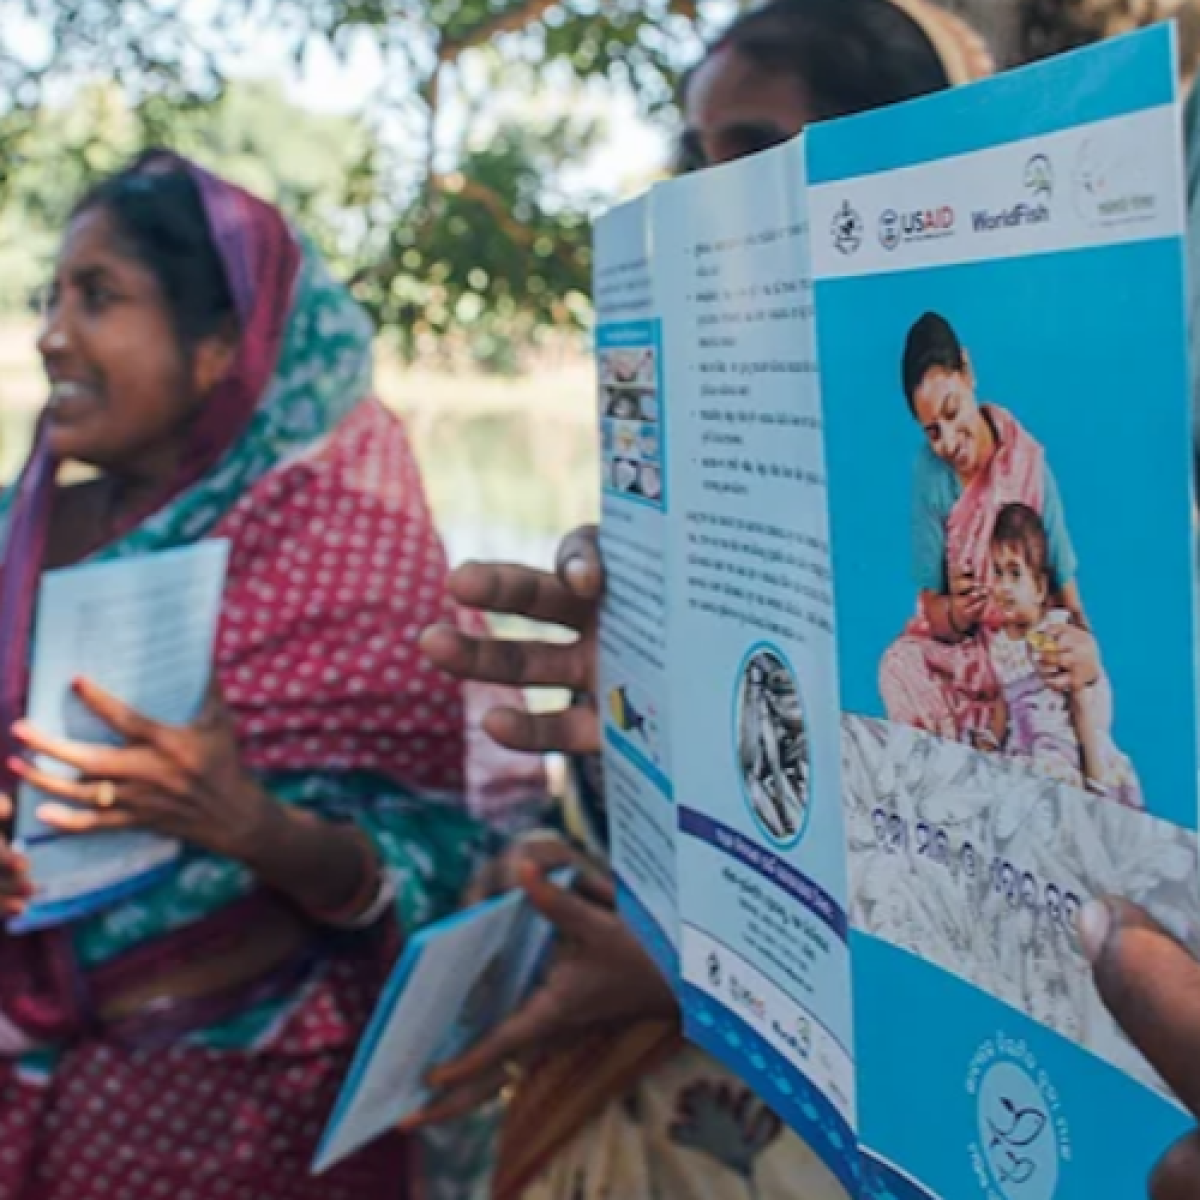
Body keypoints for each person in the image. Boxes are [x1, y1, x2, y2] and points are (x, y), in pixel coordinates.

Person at [409, 6, 995, 1197]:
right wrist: (628, 713)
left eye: (755, 147)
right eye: (694, 156)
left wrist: (678, 964)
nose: (710, 196)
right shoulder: (707, 448)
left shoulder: (984, 480)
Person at [0, 150, 538, 1199]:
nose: (53, 334)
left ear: (219, 347)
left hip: (247, 1111)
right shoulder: (24, 536)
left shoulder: (351, 562)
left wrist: (249, 826)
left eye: (98, 298)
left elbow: (456, 867)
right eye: (49, 296)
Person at [878, 311, 1109, 765]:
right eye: (931, 430)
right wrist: (960, 613)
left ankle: (1015, 750)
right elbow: (932, 610)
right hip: (968, 658)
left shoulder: (1028, 465)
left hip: (1024, 650)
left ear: (968, 371)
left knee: (1079, 671)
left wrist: (1080, 650)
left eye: (951, 412)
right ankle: (968, 763)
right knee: (897, 666)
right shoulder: (930, 474)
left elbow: (1069, 599)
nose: (947, 441)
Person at [984, 503, 1143, 805]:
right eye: (997, 572)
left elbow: (1080, 704)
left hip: (1065, 748)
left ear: (1040, 587)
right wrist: (990, 743)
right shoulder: (1000, 643)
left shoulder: (1054, 635)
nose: (1003, 586)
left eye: (1015, 573)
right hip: (1024, 748)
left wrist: (1094, 775)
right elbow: (1003, 700)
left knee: (1044, 787)